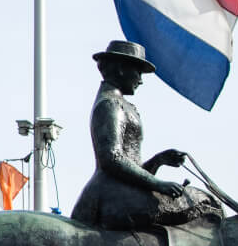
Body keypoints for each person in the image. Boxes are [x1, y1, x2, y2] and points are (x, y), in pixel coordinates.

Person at [70, 40, 222, 230]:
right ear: (121, 69)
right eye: (138, 72)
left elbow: (128, 167)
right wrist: (158, 184)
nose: (140, 80)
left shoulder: (118, 103)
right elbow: (111, 158)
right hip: (112, 196)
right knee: (206, 202)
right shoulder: (110, 105)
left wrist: (159, 160)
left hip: (119, 191)